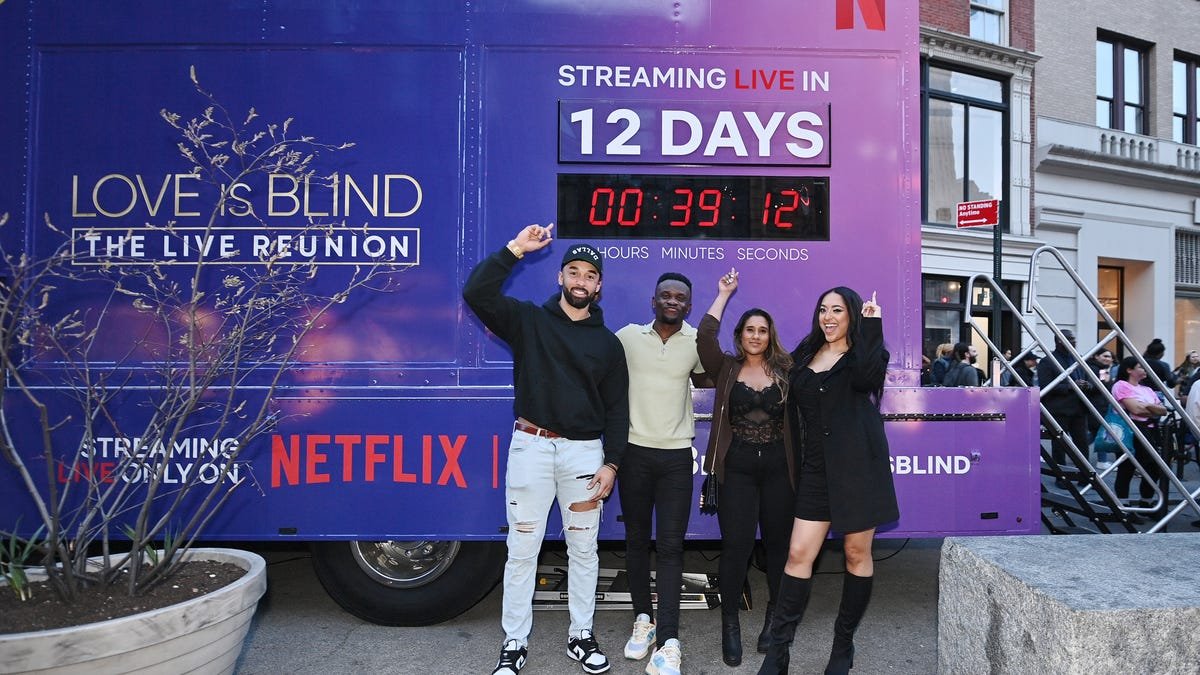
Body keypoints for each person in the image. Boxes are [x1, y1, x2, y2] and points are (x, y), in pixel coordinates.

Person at [463, 223, 628, 675]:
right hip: (531, 447)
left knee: (584, 550)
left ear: (598, 286)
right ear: (560, 277)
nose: (580, 280)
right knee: (522, 549)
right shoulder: (528, 321)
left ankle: (581, 636)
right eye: (572, 271)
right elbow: (476, 292)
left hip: (584, 455)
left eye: (589, 275)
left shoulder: (608, 344)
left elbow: (617, 411)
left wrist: (612, 463)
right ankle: (514, 643)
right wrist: (515, 248)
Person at [758, 287, 899, 675]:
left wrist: (872, 325)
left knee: (857, 554)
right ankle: (778, 652)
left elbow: (866, 379)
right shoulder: (805, 355)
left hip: (858, 469)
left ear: (852, 315)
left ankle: (843, 645)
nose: (828, 316)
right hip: (815, 471)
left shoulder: (865, 356)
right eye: (823, 309)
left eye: (837, 310)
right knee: (798, 555)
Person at [696, 269, 796, 668]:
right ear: (740, 336)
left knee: (777, 550)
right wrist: (723, 294)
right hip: (735, 469)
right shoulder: (726, 369)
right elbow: (704, 338)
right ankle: (730, 623)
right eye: (749, 330)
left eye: (762, 330)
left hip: (778, 470)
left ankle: (774, 616)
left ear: (770, 336)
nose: (756, 336)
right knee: (735, 548)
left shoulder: (787, 374)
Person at [615, 272, 707, 675]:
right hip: (633, 454)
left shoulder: (695, 343)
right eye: (665, 295)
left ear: (688, 306)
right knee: (636, 541)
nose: (672, 301)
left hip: (675, 460)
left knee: (670, 547)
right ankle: (643, 621)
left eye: (680, 298)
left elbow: (714, 375)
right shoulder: (627, 337)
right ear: (653, 301)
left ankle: (669, 639)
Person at [1037, 329, 1094, 485]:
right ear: (1060, 340)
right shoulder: (1048, 361)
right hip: (1060, 409)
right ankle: (1061, 478)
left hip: (1079, 409)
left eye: (1074, 339)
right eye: (1071, 339)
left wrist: (1087, 385)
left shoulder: (1078, 359)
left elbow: (1089, 378)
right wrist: (1071, 386)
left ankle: (1085, 477)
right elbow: (1046, 386)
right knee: (1060, 445)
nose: (1074, 342)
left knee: (1082, 444)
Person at [1111, 356, 1166, 507]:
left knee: (1154, 467)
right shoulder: (1121, 385)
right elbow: (1135, 409)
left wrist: (1145, 406)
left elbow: (1162, 410)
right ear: (1129, 370)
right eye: (1140, 366)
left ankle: (1146, 502)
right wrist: (1150, 408)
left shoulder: (1146, 389)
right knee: (1127, 466)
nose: (1145, 369)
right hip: (1131, 429)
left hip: (1150, 430)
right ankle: (1124, 506)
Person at [1085, 348, 1116, 468]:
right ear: (1096, 356)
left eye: (1110, 357)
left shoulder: (1101, 369)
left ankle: (1072, 449)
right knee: (1101, 432)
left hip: (1099, 405)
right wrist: (1107, 379)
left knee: (1095, 433)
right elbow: (1098, 387)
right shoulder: (1096, 369)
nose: (1108, 359)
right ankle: (1102, 461)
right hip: (1097, 406)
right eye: (1105, 356)